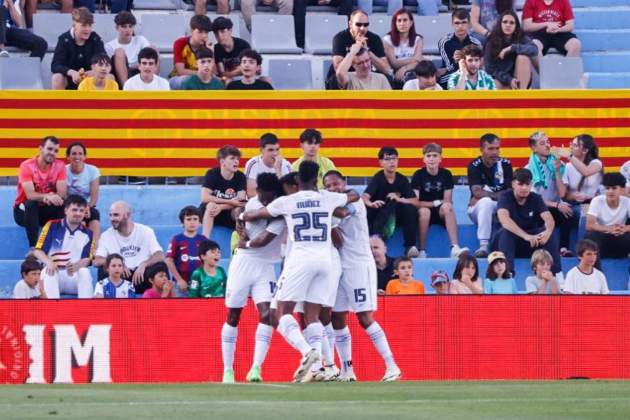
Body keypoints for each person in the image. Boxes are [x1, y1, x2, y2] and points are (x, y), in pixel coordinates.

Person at [240, 160, 356, 383]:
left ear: (297, 180)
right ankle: (321, 368)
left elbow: (261, 213)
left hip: (300, 260)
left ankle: (307, 352)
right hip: (325, 262)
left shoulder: (288, 201)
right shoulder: (327, 197)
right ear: (316, 179)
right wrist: (347, 200)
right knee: (313, 316)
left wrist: (245, 216)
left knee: (279, 313)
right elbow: (353, 197)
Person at [324, 170, 401, 382]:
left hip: (358, 265)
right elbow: (337, 240)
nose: (333, 189)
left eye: (335, 184)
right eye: (328, 186)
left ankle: (391, 365)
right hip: (340, 266)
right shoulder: (332, 207)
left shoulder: (353, 199)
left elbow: (339, 214)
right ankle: (347, 370)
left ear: (344, 182)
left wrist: (322, 208)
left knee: (364, 317)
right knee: (337, 317)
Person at [221, 174, 286, 384]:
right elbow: (238, 213)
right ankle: (228, 370)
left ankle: (256, 368)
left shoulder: (278, 209)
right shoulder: (254, 202)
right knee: (233, 315)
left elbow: (263, 240)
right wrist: (239, 218)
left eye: (267, 197)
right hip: (243, 264)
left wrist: (245, 240)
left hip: (265, 265)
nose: (263, 200)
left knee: (267, 314)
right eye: (261, 195)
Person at [495, 168, 562, 276]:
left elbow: (549, 219)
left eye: (527, 184)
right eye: (520, 184)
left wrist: (547, 232)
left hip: (530, 242)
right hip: (506, 244)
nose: (524, 188)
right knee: (506, 232)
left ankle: (556, 274)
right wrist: (525, 236)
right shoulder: (505, 197)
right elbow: (504, 220)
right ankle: (507, 274)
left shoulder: (535, 198)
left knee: (549, 232)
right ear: (513, 184)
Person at [93, 201, 164, 295]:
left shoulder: (145, 231)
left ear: (127, 215)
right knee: (103, 269)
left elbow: (159, 255)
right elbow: (97, 260)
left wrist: (144, 264)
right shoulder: (106, 235)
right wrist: (119, 264)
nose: (112, 219)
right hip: (121, 277)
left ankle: (163, 303)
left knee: (161, 267)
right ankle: (106, 304)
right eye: (110, 215)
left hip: (142, 276)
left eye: (116, 215)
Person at [411, 143, 468, 258]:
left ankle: (455, 247)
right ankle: (422, 250)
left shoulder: (446, 174)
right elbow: (415, 202)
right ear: (424, 159)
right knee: (424, 211)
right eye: (428, 156)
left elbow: (447, 200)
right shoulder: (418, 175)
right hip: (423, 213)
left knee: (447, 207)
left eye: (435, 155)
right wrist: (434, 203)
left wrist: (440, 204)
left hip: (441, 213)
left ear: (440, 158)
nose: (431, 159)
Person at [33, 195, 94, 299]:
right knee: (49, 272)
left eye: (81, 210)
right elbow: (37, 251)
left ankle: (86, 310)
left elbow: (87, 259)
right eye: (74, 210)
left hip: (73, 277)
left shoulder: (88, 233)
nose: (78, 213)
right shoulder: (51, 225)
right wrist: (49, 262)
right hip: (54, 274)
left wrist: (77, 266)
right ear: (66, 210)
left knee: (84, 271)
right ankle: (53, 311)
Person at [363, 146, 420, 258]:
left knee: (409, 208)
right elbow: (364, 197)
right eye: (387, 159)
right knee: (381, 206)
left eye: (394, 159)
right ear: (381, 163)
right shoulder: (378, 178)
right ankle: (375, 241)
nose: (391, 162)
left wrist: (399, 199)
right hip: (380, 216)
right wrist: (371, 203)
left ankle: (410, 247)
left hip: (397, 217)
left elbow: (415, 201)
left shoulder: (402, 179)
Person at [526, 131, 574, 257]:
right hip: (538, 207)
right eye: (542, 143)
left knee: (567, 212)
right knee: (536, 216)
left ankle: (564, 248)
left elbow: (563, 193)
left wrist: (557, 171)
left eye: (548, 142)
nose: (547, 145)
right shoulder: (528, 169)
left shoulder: (559, 165)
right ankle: (539, 250)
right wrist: (557, 205)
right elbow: (534, 198)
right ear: (533, 148)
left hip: (555, 206)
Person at [14, 136, 67, 249]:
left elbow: (61, 193)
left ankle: (57, 247)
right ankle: (33, 248)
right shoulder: (27, 166)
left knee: (64, 203)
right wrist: (47, 196)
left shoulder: (60, 166)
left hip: (45, 210)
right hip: (23, 212)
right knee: (30, 204)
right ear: (41, 148)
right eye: (49, 149)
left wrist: (53, 198)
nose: (52, 153)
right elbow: (30, 195)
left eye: (56, 151)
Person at [467, 133, 513, 257]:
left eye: (497, 148)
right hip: (477, 209)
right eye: (490, 149)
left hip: (499, 206)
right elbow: (477, 192)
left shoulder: (506, 164)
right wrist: (498, 195)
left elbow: (510, 192)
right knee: (486, 202)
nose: (495, 152)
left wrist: (485, 194)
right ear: (482, 150)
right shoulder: (474, 166)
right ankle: (483, 245)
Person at [328, 10, 392, 90]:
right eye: (358, 24)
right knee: (335, 79)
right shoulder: (340, 38)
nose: (362, 28)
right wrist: (353, 51)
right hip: (347, 76)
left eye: (366, 25)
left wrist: (367, 51)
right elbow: (338, 68)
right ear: (350, 24)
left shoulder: (374, 38)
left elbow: (386, 69)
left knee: (387, 78)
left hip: (366, 74)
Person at [51, 7, 106, 90]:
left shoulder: (95, 38)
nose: (88, 29)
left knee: (109, 77)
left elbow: (105, 60)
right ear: (74, 24)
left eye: (90, 25)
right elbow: (55, 65)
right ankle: (60, 103)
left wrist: (95, 72)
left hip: (91, 79)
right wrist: (71, 72)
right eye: (84, 25)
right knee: (57, 78)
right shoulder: (64, 39)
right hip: (70, 79)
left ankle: (103, 103)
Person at [200, 145, 247, 238]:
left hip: (228, 213)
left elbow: (241, 201)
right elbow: (204, 197)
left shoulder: (240, 176)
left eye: (237, 158)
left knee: (239, 210)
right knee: (211, 205)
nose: (236, 161)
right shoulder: (212, 173)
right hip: (210, 211)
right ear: (222, 161)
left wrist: (221, 207)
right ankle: (205, 240)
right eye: (232, 158)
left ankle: (242, 242)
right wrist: (228, 201)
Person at [484, 11, 537, 90]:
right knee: (494, 84)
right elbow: (490, 69)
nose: (508, 25)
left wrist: (512, 48)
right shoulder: (491, 41)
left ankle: (522, 96)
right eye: (505, 22)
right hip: (501, 80)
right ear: (500, 24)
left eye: (512, 23)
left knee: (523, 58)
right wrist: (509, 79)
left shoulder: (521, 37)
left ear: (516, 26)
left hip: (519, 80)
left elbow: (534, 49)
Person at [584, 173, 630, 261]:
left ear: (622, 189)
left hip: (620, 237)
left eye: (614, 188)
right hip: (603, 237)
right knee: (590, 235)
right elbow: (589, 225)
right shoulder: (597, 201)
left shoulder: (627, 202)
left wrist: (624, 229)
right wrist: (609, 229)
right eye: (607, 188)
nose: (610, 191)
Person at [554, 134, 603, 211]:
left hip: (594, 204)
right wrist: (556, 171)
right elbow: (563, 194)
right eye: (571, 144)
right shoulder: (568, 166)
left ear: (585, 150)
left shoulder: (596, 163)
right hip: (575, 205)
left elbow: (586, 171)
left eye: (575, 145)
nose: (571, 147)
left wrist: (569, 155)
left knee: (585, 211)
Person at [165, 206, 206, 297]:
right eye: (188, 219)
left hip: (199, 284)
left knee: (199, 309)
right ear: (182, 222)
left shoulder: (203, 240)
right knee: (181, 310)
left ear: (199, 222)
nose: (192, 222)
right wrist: (179, 280)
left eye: (195, 219)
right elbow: (168, 260)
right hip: (181, 285)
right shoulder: (177, 239)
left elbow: (207, 260)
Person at [438, 9, 482, 89]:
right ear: (452, 24)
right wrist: (455, 62)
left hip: (471, 74)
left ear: (469, 24)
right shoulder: (444, 42)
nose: (460, 26)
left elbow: (478, 66)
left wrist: (462, 59)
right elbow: (448, 67)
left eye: (464, 22)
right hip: (449, 76)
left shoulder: (476, 43)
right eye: (457, 23)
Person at [65, 142, 100, 243]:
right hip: (69, 205)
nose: (77, 156)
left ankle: (94, 248)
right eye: (74, 153)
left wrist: (86, 208)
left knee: (94, 214)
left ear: (85, 157)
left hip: (87, 206)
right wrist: (76, 209)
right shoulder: (63, 171)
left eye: (80, 154)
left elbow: (94, 197)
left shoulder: (93, 171)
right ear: (68, 156)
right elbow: (63, 195)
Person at [105, 10, 151, 86]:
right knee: (119, 52)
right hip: (118, 78)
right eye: (124, 26)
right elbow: (108, 68)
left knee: (153, 50)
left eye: (130, 26)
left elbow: (151, 58)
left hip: (140, 73)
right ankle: (126, 89)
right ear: (117, 28)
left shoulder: (141, 40)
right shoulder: (109, 46)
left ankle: (152, 85)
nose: (128, 30)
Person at [169, 14, 213, 90]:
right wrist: (202, 74)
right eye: (200, 32)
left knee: (219, 81)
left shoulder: (207, 46)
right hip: (178, 78)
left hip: (201, 78)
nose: (204, 36)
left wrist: (211, 52)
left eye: (206, 32)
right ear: (192, 30)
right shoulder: (180, 43)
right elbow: (181, 71)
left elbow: (212, 73)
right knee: (189, 80)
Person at [382, 9, 423, 85]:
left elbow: (418, 63)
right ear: (395, 23)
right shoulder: (387, 40)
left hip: (412, 71)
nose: (402, 23)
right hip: (394, 72)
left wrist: (405, 68)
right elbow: (394, 63)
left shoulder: (418, 39)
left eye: (405, 20)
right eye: (399, 20)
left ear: (411, 23)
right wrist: (415, 59)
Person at [244, 133, 293, 198]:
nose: (275, 153)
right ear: (261, 150)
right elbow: (251, 193)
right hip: (259, 203)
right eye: (270, 150)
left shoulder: (286, 165)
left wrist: (278, 170)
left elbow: (290, 194)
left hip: (280, 204)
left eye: (277, 149)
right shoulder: (253, 164)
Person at [211, 16, 250, 83]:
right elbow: (222, 74)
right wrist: (238, 70)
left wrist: (231, 73)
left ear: (230, 30)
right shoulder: (216, 49)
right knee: (227, 81)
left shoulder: (243, 45)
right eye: (216, 33)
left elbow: (250, 68)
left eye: (223, 31)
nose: (219, 36)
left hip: (244, 77)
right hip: (227, 80)